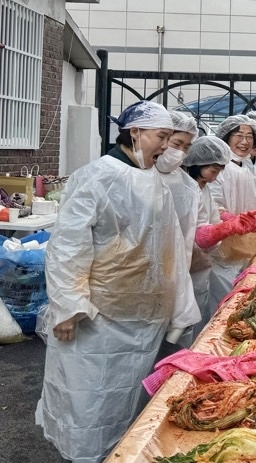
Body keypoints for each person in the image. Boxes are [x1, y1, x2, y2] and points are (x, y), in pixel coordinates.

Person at [37, 101, 200, 463]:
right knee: (90, 400)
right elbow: (68, 246)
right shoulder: (96, 176)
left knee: (128, 403)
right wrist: (68, 305)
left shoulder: (154, 179)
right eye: (162, 137)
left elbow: (172, 244)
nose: (166, 146)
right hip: (98, 316)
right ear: (136, 133)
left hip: (145, 314)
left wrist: (178, 305)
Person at [183, 136, 256, 332]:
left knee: (198, 322)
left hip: (200, 267)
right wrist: (230, 227)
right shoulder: (186, 189)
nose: (216, 177)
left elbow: (213, 215)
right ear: (198, 164)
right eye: (214, 170)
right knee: (184, 327)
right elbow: (198, 235)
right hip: (187, 267)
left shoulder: (203, 188)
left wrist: (237, 219)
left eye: (219, 171)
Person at [208, 115, 256, 316]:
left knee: (239, 301)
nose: (245, 141)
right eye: (239, 136)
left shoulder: (245, 166)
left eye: (250, 136)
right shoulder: (219, 167)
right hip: (222, 251)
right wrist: (232, 221)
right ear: (226, 137)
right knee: (221, 306)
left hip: (245, 245)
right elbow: (212, 207)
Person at [154, 110, 201, 350]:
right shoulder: (138, 176)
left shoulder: (186, 183)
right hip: (141, 274)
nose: (180, 152)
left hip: (176, 267)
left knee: (167, 344)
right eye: (176, 143)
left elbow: (187, 229)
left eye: (186, 146)